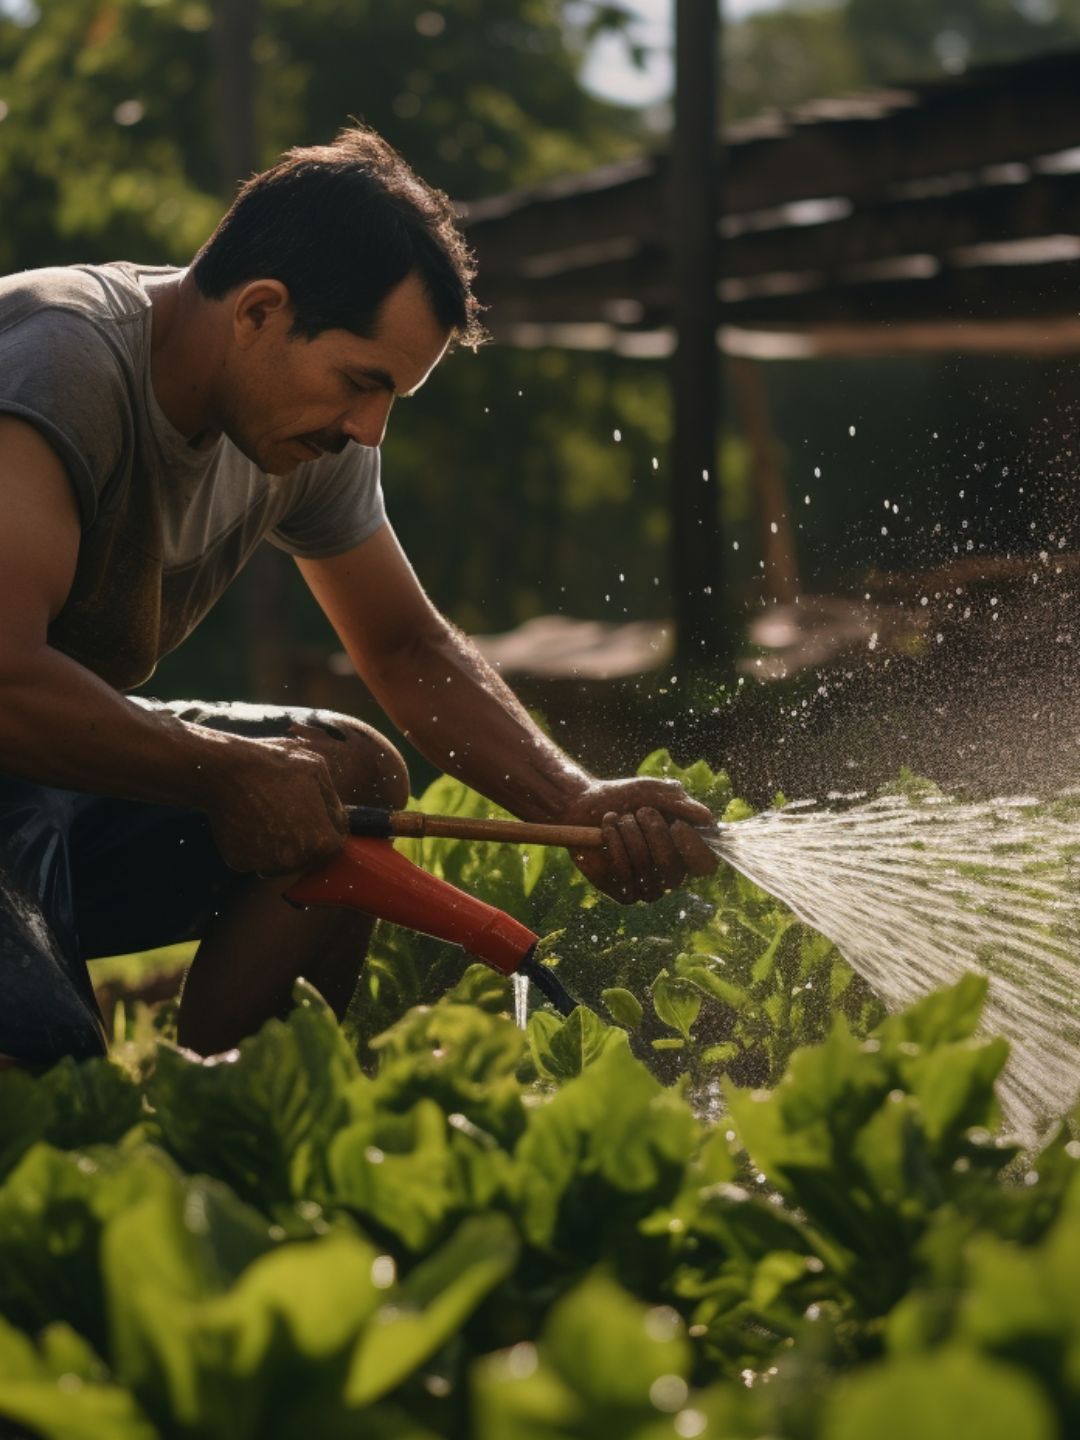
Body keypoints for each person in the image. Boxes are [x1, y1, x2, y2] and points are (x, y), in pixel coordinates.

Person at [0, 125, 718, 1065]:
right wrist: (223, 769)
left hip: (33, 785)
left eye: (390, 399)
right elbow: (6, 679)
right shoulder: (61, 361)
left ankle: (233, 1117)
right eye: (361, 383)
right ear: (259, 310)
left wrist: (575, 799)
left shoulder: (293, 425)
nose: (368, 429)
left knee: (349, 776)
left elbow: (407, 650)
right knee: (46, 1107)